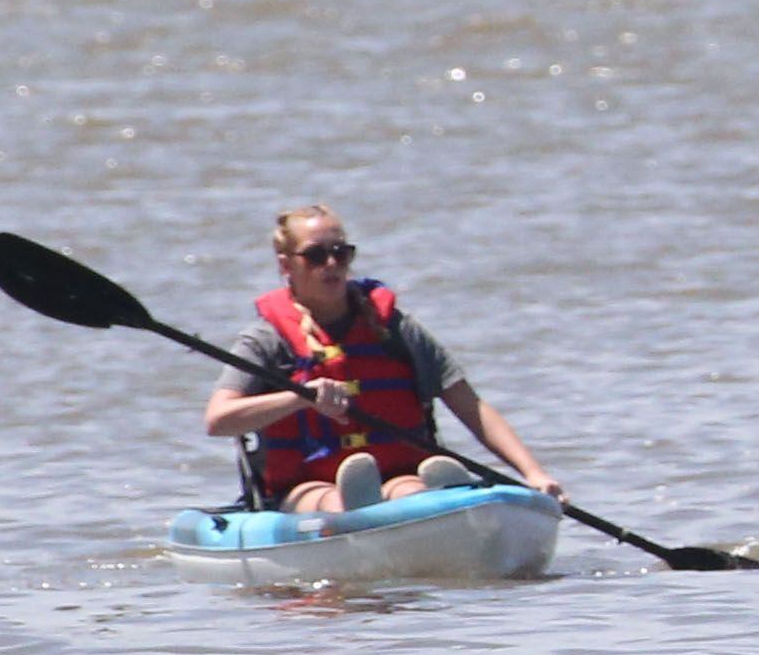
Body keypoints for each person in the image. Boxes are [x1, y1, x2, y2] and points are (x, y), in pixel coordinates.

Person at [201, 205, 561, 517]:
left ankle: (440, 495)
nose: (331, 264)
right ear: (286, 265)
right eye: (315, 255)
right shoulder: (265, 340)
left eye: (341, 253)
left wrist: (534, 474)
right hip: (304, 488)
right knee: (333, 501)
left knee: (410, 491)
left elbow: (470, 406)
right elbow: (218, 420)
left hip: (399, 472)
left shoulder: (393, 329)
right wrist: (299, 397)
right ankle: (363, 507)